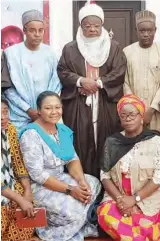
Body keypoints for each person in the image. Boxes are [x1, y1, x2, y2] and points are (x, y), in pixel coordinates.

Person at [97, 94, 160, 241]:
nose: (127, 119)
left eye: (132, 115)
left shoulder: (155, 141)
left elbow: (159, 178)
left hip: (145, 200)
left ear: (141, 116)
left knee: (137, 224)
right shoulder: (112, 142)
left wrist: (134, 200)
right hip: (117, 198)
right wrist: (121, 201)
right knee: (105, 216)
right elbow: (105, 175)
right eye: (123, 115)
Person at [19, 91, 101, 241]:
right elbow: (37, 174)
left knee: (93, 184)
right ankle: (50, 234)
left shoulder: (62, 130)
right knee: (72, 212)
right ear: (39, 110)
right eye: (48, 108)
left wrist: (81, 182)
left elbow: (72, 159)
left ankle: (76, 223)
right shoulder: (31, 134)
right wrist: (70, 190)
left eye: (58, 107)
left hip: (61, 177)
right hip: (41, 185)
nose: (54, 112)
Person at [57, 3, 126, 178]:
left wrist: (98, 83)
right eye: (87, 26)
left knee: (106, 141)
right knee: (81, 143)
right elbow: (63, 71)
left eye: (96, 26)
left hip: (104, 102)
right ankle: (84, 183)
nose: (92, 29)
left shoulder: (114, 47)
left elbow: (119, 71)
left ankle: (107, 186)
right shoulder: (70, 48)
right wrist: (81, 81)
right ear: (81, 26)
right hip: (79, 103)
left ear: (102, 25)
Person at [3, 9, 61, 132]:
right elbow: (7, 88)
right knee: (19, 150)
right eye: (32, 30)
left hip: (47, 115)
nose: (37, 34)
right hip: (19, 116)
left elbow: (56, 83)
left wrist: (44, 110)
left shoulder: (50, 53)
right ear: (24, 31)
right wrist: (28, 110)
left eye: (40, 30)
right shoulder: (10, 54)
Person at [123, 10, 160, 136]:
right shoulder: (127, 52)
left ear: (155, 30)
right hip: (132, 112)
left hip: (156, 112)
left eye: (149, 31)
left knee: (156, 143)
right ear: (136, 30)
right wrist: (136, 109)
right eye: (142, 31)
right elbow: (125, 83)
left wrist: (151, 109)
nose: (146, 34)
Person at [1, 96, 36, 241]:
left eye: (5, 112)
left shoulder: (10, 130)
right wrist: (20, 200)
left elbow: (18, 163)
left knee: (27, 216)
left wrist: (26, 191)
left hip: (9, 182)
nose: (3, 118)